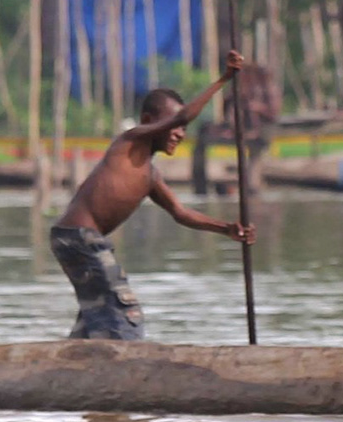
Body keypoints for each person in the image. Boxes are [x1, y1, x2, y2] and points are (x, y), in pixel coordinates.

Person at [51, 52, 257, 340]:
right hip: (80, 237)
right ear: (150, 121)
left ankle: (73, 359)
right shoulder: (130, 141)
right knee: (124, 314)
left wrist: (227, 229)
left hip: (75, 238)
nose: (180, 133)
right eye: (174, 125)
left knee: (99, 313)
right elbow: (185, 114)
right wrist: (224, 79)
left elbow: (180, 213)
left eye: (184, 129)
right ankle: (124, 369)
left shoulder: (150, 176)